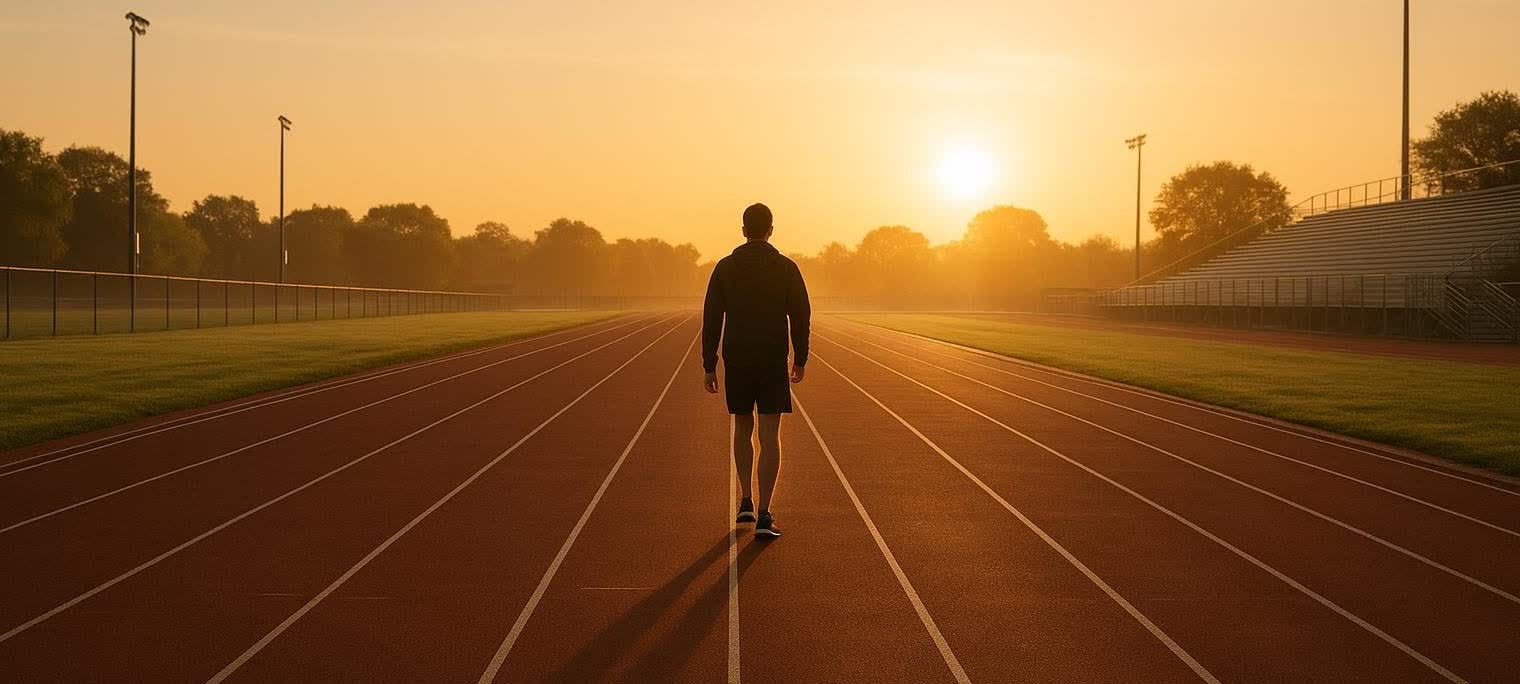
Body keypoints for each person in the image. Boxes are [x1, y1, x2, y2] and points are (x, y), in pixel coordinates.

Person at [702, 203, 810, 539]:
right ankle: (764, 513)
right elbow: (801, 315)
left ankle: (745, 500)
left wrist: (709, 363)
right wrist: (800, 358)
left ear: (744, 229)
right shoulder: (786, 268)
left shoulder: (725, 268)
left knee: (742, 428)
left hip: (738, 359)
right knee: (769, 435)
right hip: (771, 358)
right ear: (770, 229)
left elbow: (711, 318)